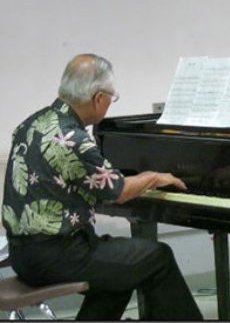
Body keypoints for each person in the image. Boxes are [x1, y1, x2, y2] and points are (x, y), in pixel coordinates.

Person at [2, 53, 204, 320]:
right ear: (98, 97)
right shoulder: (72, 138)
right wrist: (154, 177)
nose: (110, 102)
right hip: (58, 255)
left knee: (120, 272)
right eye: (112, 97)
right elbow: (117, 191)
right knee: (158, 257)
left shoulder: (33, 123)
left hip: (22, 254)